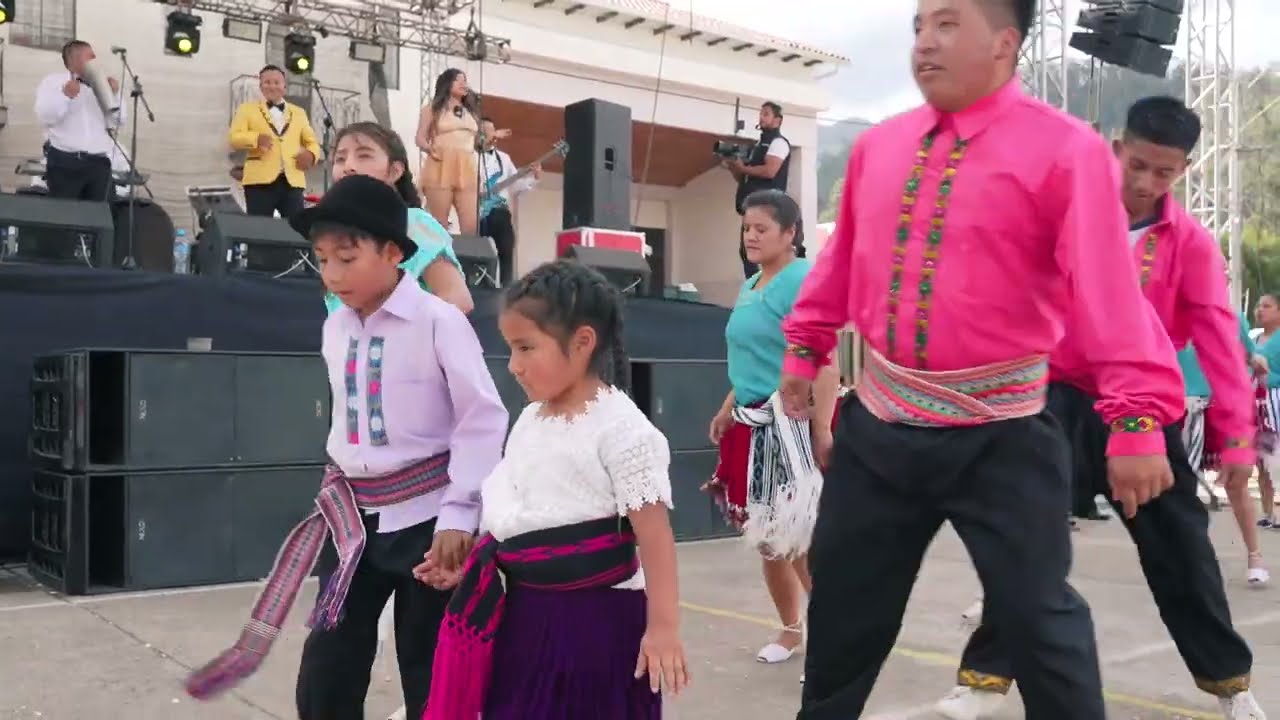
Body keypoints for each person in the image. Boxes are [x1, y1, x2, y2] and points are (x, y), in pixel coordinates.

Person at [781, 2, 1185, 717]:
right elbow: (844, 260)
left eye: (946, 25)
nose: (924, 44)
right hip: (880, 428)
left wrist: (1136, 421)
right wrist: (805, 343)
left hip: (1004, 436)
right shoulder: (879, 147)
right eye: (918, 27)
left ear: (1004, 43)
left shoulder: (1067, 150)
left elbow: (1108, 293)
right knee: (843, 613)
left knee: (1039, 622)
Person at [940, 95, 1267, 720]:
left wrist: (1236, 439)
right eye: (1137, 165)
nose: (1145, 183)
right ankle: (985, 678)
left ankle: (1230, 683)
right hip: (1056, 398)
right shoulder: (1062, 217)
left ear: (1183, 170)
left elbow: (1221, 343)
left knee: (1183, 551)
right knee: (1027, 536)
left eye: (1163, 172)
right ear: (1116, 151)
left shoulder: (1191, 245)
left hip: (1144, 407)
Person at [183, 174, 509, 720]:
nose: (332, 274)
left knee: (430, 668)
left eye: (347, 258)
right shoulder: (336, 329)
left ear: (393, 253)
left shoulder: (439, 322)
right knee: (327, 668)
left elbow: (482, 419)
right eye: (322, 260)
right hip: (354, 520)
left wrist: (460, 514)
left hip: (428, 521)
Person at [423, 260, 688, 719]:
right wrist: (476, 564)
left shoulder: (624, 431)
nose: (514, 366)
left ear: (583, 342)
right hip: (525, 617)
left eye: (526, 348)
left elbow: (655, 536)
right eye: (511, 349)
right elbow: (520, 513)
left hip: (598, 624)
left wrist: (663, 628)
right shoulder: (530, 419)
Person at [704, 190, 835, 672]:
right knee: (767, 537)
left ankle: (834, 641)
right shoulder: (751, 283)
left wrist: (822, 428)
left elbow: (824, 358)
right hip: (751, 419)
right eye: (746, 228)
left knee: (798, 537)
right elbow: (754, 357)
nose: (751, 236)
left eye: (761, 228)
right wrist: (728, 407)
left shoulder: (802, 278)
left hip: (791, 422)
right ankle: (791, 628)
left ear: (790, 233)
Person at [324, 121, 473, 315]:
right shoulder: (334, 234)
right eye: (340, 159)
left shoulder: (413, 223)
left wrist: (397, 331)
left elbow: (456, 299)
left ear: (394, 171)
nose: (348, 166)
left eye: (364, 156)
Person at [1179, 313, 1270, 586]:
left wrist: (1257, 364)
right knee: (1180, 484)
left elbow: (1251, 355)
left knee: (1237, 482)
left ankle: (1255, 556)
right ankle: (1187, 557)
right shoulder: (1163, 309)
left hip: (1227, 409)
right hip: (1182, 406)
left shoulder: (1232, 317)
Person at [34, 40, 124, 202]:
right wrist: (65, 96)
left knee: (103, 212)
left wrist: (115, 95)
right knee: (64, 211)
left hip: (99, 162)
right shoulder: (52, 82)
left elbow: (119, 121)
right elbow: (46, 116)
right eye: (90, 57)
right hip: (65, 162)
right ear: (75, 60)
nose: (95, 60)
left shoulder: (102, 85)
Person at [228, 65, 321, 219]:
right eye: (267, 82)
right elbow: (234, 138)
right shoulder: (247, 109)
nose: (272, 86)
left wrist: (311, 155)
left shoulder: (299, 113)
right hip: (259, 181)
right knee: (259, 228)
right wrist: (255, 138)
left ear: (284, 87)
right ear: (260, 86)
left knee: (296, 228)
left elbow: (312, 142)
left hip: (292, 180)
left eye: (277, 82)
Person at [724, 101, 793, 277]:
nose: (761, 117)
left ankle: (771, 283)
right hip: (751, 206)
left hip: (767, 205)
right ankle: (755, 286)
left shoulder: (778, 143)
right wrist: (734, 167)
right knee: (747, 251)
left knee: (765, 249)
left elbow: (770, 171)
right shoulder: (757, 146)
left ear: (777, 120)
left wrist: (744, 168)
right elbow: (744, 177)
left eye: (766, 114)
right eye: (761, 113)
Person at [416, 68, 481, 235]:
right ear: (447, 83)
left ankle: (467, 253)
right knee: (439, 225)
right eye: (458, 80)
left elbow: (476, 141)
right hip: (441, 164)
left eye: (465, 80)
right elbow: (420, 138)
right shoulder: (432, 109)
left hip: (467, 166)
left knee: (471, 226)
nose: (463, 84)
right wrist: (430, 149)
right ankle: (440, 252)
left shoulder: (470, 112)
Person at [478, 116, 541, 287]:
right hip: (478, 215)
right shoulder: (472, 156)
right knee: (479, 255)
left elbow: (515, 185)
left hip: (500, 212)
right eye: (485, 131)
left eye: (492, 130)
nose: (491, 135)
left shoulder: (504, 158)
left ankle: (506, 290)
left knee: (506, 251)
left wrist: (533, 177)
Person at [1254, 293, 1280, 528]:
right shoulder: (1255, 339)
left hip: (1275, 401)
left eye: (1267, 306)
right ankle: (1268, 512)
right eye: (1258, 306)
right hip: (1256, 405)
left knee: (1276, 456)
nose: (1260, 310)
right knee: (1262, 460)